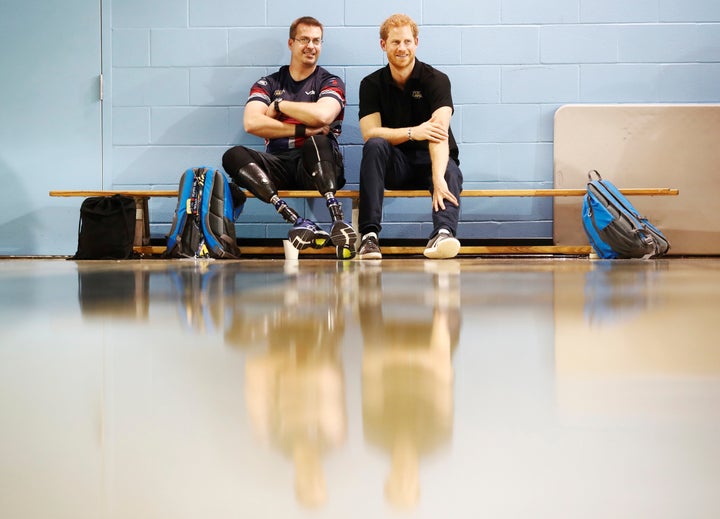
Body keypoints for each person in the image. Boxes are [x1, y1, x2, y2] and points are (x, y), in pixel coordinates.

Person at [222, 16, 356, 259]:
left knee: (318, 141)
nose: (311, 46)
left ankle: (338, 221)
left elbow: (324, 115)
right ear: (291, 43)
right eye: (304, 39)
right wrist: (304, 129)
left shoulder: (330, 81)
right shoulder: (268, 83)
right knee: (233, 155)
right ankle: (297, 220)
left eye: (317, 40)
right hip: (279, 165)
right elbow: (252, 122)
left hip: (316, 165)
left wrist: (280, 106)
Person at [356, 14, 463, 260]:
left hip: (430, 161)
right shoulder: (371, 84)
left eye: (407, 41)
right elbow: (369, 133)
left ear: (416, 42)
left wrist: (437, 177)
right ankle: (369, 237)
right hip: (397, 165)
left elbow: (439, 134)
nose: (402, 48)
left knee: (449, 170)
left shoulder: (436, 80)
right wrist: (413, 132)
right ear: (383, 45)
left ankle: (443, 234)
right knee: (374, 146)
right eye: (395, 42)